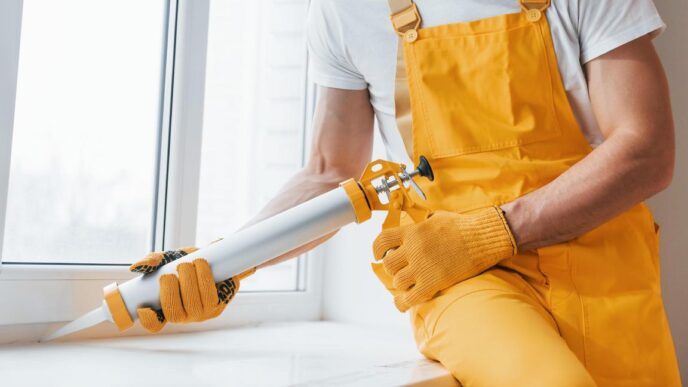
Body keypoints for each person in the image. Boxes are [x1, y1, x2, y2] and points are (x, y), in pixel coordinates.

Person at [130, 0, 682, 385]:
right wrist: (223, 260)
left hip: (607, 269)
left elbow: (646, 150)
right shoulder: (345, 8)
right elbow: (328, 172)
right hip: (458, 273)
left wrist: (496, 229)